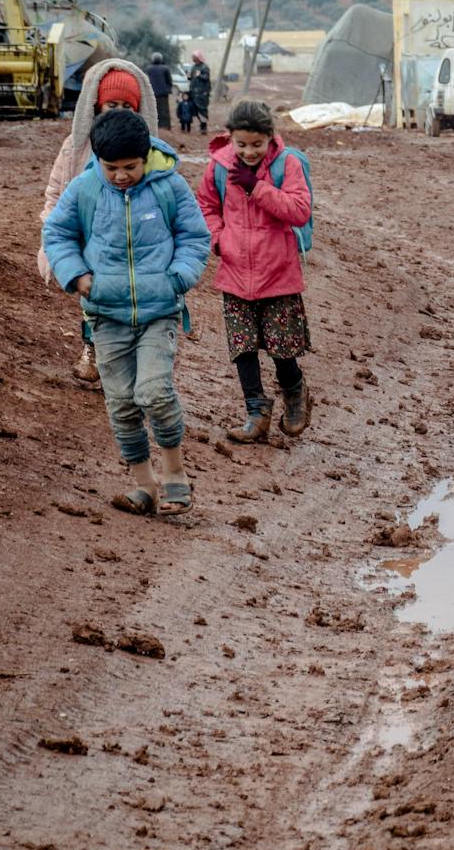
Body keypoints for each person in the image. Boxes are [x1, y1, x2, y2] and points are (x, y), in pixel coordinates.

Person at [42, 109, 211, 515]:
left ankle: (175, 476)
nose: (120, 175)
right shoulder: (84, 189)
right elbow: (57, 233)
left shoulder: (169, 185)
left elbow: (195, 236)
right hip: (105, 315)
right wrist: (78, 276)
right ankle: (144, 486)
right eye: (111, 167)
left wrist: (178, 277)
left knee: (153, 391)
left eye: (130, 167)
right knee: (120, 403)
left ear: (146, 156)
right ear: (98, 160)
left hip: (159, 311)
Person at [36, 58, 160, 385]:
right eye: (111, 104)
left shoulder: (149, 151)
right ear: (96, 104)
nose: (118, 111)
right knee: (92, 301)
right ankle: (92, 351)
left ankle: (122, 364)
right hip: (90, 239)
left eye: (126, 106)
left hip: (133, 239)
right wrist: (52, 237)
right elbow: (57, 191)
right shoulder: (76, 148)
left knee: (127, 304)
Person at [197, 100, 315, 442]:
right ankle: (256, 413)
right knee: (243, 347)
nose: (249, 152)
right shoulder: (218, 166)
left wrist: (256, 187)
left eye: (257, 145)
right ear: (230, 138)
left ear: (270, 138)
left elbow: (299, 210)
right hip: (235, 271)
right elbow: (206, 205)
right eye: (242, 144)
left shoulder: (287, 164)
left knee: (281, 347)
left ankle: (295, 393)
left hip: (278, 272)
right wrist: (219, 240)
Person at [145, 51, 175, 130]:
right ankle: (166, 126)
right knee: (164, 109)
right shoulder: (165, 68)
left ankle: (155, 125)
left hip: (153, 92)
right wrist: (168, 89)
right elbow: (169, 81)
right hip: (163, 93)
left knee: (154, 109)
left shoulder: (149, 68)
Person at [187, 52, 212, 132]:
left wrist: (200, 75)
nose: (193, 59)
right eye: (193, 57)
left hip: (202, 93)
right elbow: (192, 78)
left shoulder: (204, 67)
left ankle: (203, 127)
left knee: (202, 109)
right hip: (194, 92)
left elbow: (206, 77)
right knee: (193, 109)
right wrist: (189, 76)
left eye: (194, 57)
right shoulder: (194, 67)